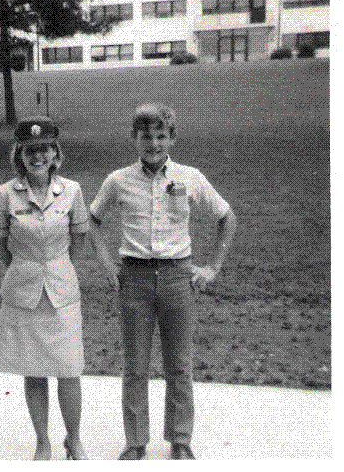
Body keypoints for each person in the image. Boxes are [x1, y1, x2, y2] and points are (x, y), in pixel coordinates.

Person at [89, 103, 237, 460]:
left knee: (179, 365)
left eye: (160, 136)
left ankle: (180, 438)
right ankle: (135, 441)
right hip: (135, 279)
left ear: (172, 138)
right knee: (135, 364)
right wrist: (107, 264)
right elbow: (92, 220)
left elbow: (227, 217)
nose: (153, 144)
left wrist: (212, 267)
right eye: (145, 137)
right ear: (134, 139)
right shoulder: (118, 180)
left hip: (177, 278)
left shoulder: (190, 177)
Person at [0, 116, 89, 461]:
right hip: (23, 291)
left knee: (69, 369)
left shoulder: (72, 190)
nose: (37, 157)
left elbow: (78, 240)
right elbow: (0, 245)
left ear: (55, 153)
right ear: (19, 153)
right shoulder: (5, 194)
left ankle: (74, 439)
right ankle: (43, 440)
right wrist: (25, 270)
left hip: (62, 292)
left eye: (44, 149)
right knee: (33, 370)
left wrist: (58, 268)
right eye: (30, 150)